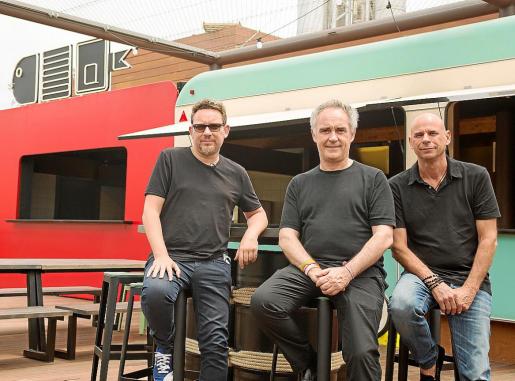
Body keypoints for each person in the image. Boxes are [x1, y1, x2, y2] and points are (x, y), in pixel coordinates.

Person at [250, 99, 395, 381]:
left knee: (362, 352)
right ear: (314, 134)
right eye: (325, 129)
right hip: (310, 269)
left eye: (340, 129)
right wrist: (311, 269)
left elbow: (384, 236)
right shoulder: (300, 183)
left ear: (352, 134)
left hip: (360, 273)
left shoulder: (374, 179)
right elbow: (287, 236)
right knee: (264, 301)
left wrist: (347, 271)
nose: (333, 137)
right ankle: (310, 366)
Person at [141, 98, 268, 381]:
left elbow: (258, 215)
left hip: (214, 263)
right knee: (157, 293)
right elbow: (150, 211)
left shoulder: (236, 172)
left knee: (215, 342)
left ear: (226, 130)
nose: (207, 132)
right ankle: (165, 346)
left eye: (214, 126)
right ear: (191, 130)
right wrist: (160, 255)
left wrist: (251, 234)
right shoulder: (170, 159)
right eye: (200, 127)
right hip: (171, 256)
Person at [388, 113, 500, 381]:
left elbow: (489, 239)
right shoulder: (396, 186)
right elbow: (399, 248)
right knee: (401, 305)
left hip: (469, 277)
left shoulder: (476, 176)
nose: (426, 139)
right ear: (411, 142)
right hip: (420, 276)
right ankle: (429, 359)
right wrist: (435, 283)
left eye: (433, 133)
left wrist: (468, 291)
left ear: (447, 137)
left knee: (475, 374)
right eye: (419, 135)